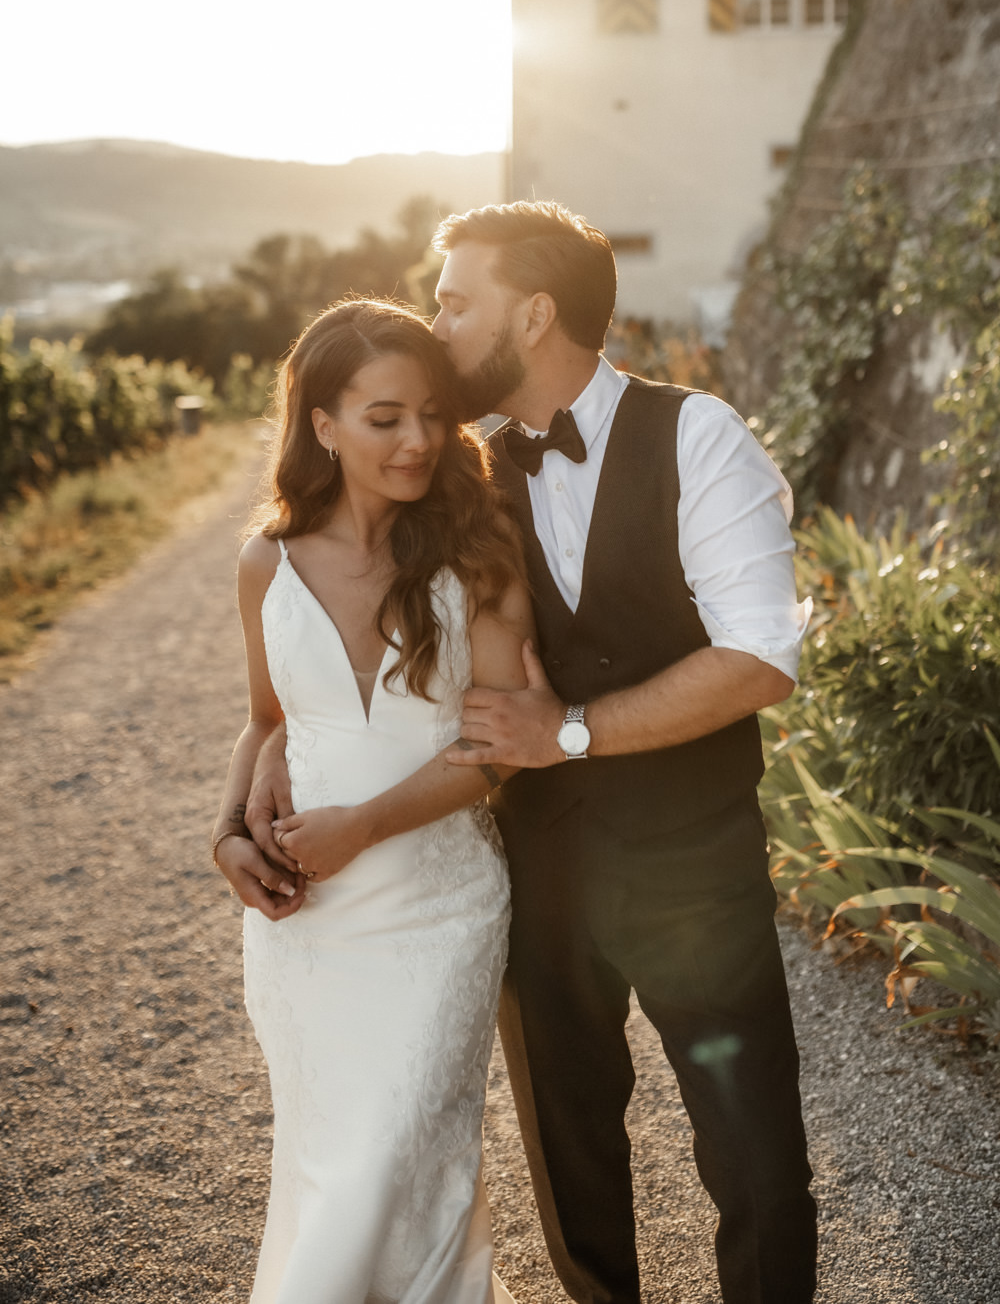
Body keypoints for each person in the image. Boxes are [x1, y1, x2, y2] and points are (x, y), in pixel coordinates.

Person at [240, 202, 818, 1304]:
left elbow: (757, 659)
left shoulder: (699, 439)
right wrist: (279, 754)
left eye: (456, 302)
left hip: (694, 865)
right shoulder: (452, 478)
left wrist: (568, 733)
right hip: (536, 867)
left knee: (752, 1153)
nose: (438, 322)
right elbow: (335, 638)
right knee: (570, 1158)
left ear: (534, 312)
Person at [210, 298, 532, 1304]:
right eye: (385, 416)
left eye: (434, 414)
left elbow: (502, 750)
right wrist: (227, 836)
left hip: (438, 913)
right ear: (323, 424)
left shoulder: (474, 554)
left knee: (394, 1156)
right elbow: (269, 718)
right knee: (330, 1159)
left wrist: (362, 826)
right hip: (309, 931)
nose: (420, 440)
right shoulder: (266, 563)